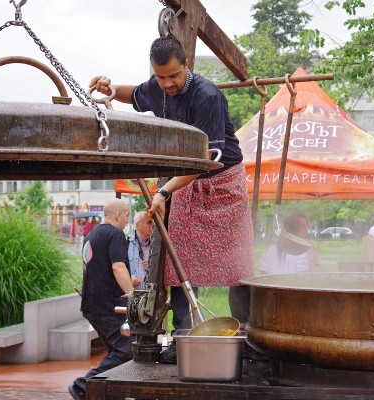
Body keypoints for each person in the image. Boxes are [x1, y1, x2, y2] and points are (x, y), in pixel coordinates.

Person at [89, 37, 255, 364]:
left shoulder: (207, 96)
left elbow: (208, 157)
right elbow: (135, 94)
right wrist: (109, 90)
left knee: (239, 266)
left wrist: (165, 191)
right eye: (161, 77)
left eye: (174, 76)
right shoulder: (158, 86)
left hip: (221, 182)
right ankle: (183, 339)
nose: (167, 84)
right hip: (185, 184)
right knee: (178, 268)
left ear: (186, 67)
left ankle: (248, 340)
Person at [68, 199, 133, 400]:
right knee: (127, 350)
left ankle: (112, 394)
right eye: (127, 216)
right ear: (119, 215)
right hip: (109, 306)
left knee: (116, 350)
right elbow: (118, 267)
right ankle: (84, 386)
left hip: (91, 305)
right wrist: (134, 296)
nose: (127, 221)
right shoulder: (115, 234)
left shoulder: (92, 235)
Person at [128, 211, 154, 290]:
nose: (152, 225)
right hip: (131, 293)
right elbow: (118, 268)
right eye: (149, 222)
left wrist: (152, 266)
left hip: (149, 295)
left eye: (153, 223)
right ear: (137, 225)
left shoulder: (155, 246)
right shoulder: (125, 243)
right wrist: (129, 279)